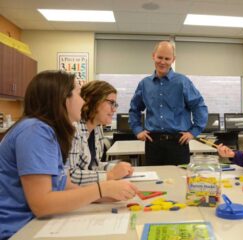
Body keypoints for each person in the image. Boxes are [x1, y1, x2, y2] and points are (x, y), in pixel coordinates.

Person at [0, 71, 138, 239]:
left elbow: (64, 184)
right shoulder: (35, 131)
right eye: (80, 94)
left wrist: (105, 197)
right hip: (16, 230)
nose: (84, 102)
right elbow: (42, 204)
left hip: (35, 225)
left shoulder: (50, 132)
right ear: (63, 97)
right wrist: (102, 188)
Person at [129, 41, 208, 166]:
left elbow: (199, 106)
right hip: (152, 143)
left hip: (178, 142)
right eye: (160, 57)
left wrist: (194, 132)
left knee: (179, 182)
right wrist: (137, 130)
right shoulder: (144, 84)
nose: (163, 62)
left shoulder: (182, 82)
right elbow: (134, 109)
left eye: (167, 58)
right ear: (153, 56)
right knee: (154, 182)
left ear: (173, 60)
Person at [67, 80, 133, 185]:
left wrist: (116, 168)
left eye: (115, 104)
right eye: (111, 103)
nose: (114, 109)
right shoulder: (73, 129)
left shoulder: (97, 129)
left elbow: (93, 167)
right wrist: (110, 175)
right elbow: (69, 176)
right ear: (92, 101)